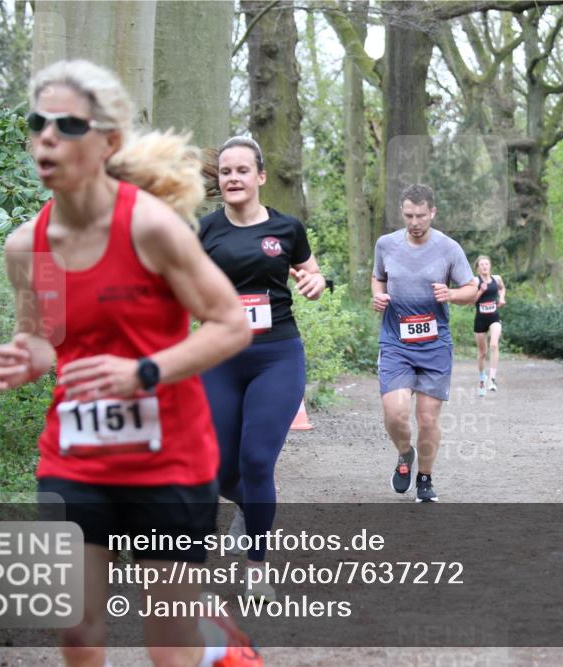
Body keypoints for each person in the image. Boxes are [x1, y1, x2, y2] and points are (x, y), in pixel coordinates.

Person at [0, 60, 260, 667]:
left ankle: (214, 642)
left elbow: (230, 323)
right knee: (77, 631)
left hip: (168, 460)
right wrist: (25, 357)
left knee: (168, 646)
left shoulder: (150, 228)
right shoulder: (28, 247)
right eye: (38, 123)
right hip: (76, 457)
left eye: (68, 125)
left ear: (109, 140)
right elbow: (42, 337)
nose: (47, 137)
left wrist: (144, 371)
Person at [198, 136, 325, 598]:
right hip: (218, 357)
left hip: (276, 354)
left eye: (242, 170)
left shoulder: (287, 229)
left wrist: (316, 281)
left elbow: (311, 272)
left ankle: (257, 567)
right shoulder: (205, 230)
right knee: (214, 469)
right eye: (226, 171)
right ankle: (249, 507)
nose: (233, 178)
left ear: (260, 176)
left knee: (256, 460)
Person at [372, 184, 482, 502]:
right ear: (402, 213)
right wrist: (377, 295)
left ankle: (425, 478)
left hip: (434, 344)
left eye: (421, 215)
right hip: (395, 340)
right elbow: (378, 276)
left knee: (427, 418)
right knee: (395, 413)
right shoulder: (386, 245)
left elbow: (471, 289)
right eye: (409, 215)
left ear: (432, 212)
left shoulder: (449, 249)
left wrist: (452, 295)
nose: (415, 222)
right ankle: (405, 454)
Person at [472, 255, 506, 397]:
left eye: (487, 264)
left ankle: (492, 379)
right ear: (478, 267)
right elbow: (470, 300)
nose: (485, 266)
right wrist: (480, 291)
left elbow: (502, 288)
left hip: (494, 317)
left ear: (490, 265)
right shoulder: (474, 281)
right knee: (482, 353)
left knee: (493, 344)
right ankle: (482, 378)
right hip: (480, 320)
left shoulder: (497, 279)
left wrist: (502, 298)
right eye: (482, 264)